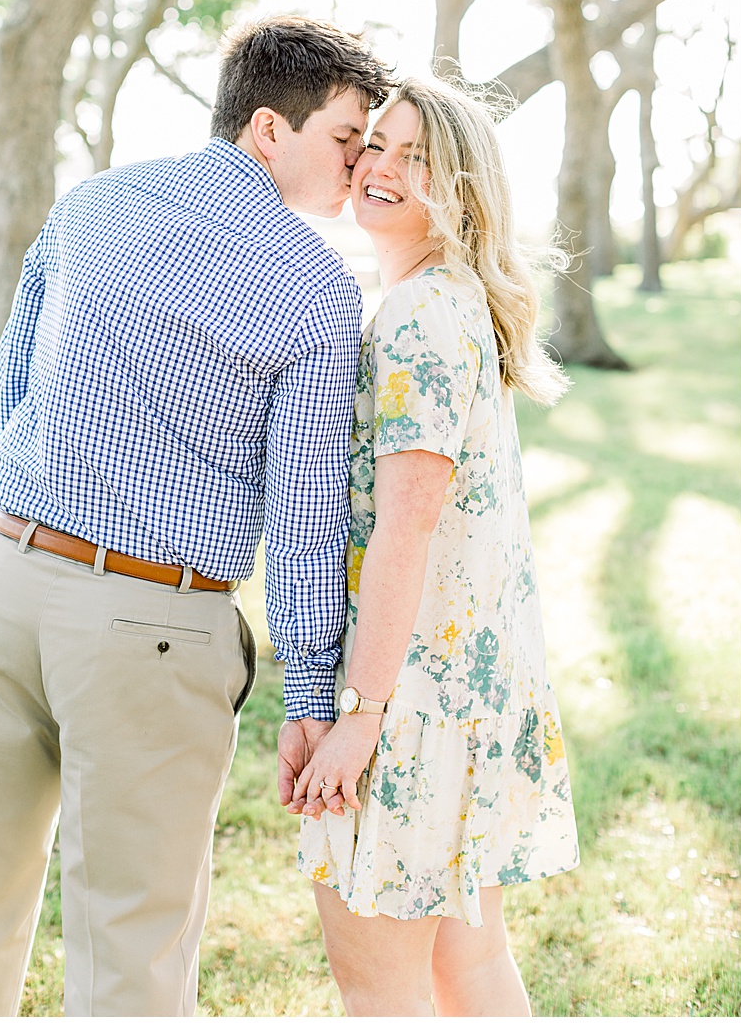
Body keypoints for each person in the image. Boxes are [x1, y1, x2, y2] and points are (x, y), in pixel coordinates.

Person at [0, 17, 394, 1015]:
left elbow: (19, 374)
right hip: (148, 628)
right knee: (131, 939)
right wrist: (313, 696)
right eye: (347, 137)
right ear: (270, 128)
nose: (361, 162)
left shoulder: (93, 203)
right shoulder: (314, 289)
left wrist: (36, 500)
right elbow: (305, 518)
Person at [290, 75, 580, 1016]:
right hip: (469, 693)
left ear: (460, 188)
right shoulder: (452, 301)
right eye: (376, 143)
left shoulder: (419, 318)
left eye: (416, 158)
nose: (380, 167)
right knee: (470, 968)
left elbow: (407, 528)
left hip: (412, 702)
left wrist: (362, 717)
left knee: (378, 993)